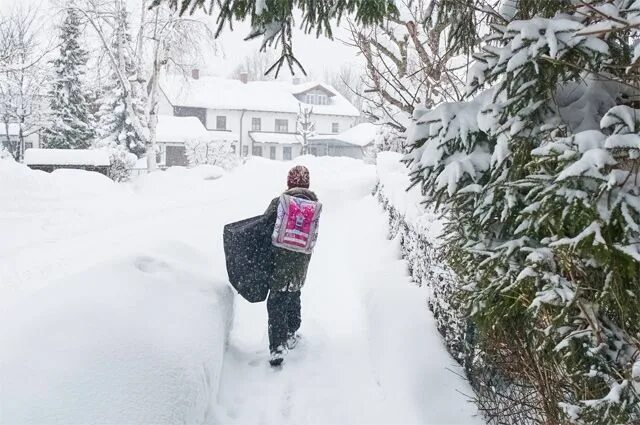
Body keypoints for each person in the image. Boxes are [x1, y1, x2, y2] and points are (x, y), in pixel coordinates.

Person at [263, 165, 319, 366]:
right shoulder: (314, 204)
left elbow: (265, 225)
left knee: (277, 299)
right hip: (301, 260)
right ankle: (292, 329)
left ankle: (277, 347)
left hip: (280, 258)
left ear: (289, 182)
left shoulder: (280, 202)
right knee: (294, 291)